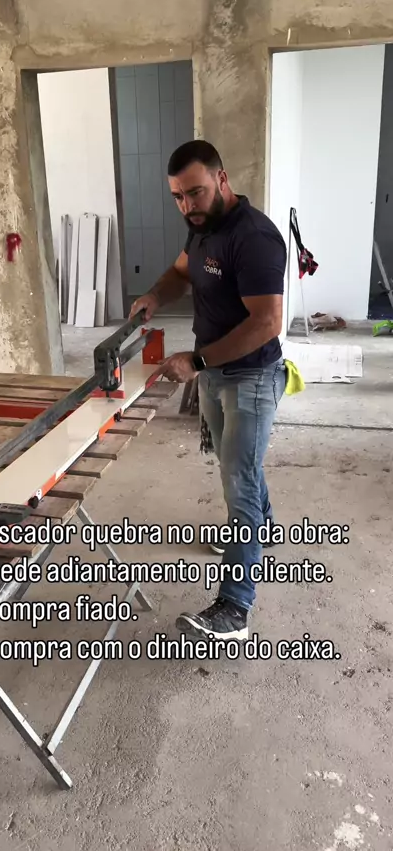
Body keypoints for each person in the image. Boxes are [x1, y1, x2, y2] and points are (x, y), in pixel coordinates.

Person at [129, 139, 286, 642]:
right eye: (177, 196)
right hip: (217, 374)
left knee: (238, 483)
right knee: (235, 464)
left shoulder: (254, 237)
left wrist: (196, 361)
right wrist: (155, 294)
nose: (186, 206)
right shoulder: (202, 229)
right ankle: (264, 527)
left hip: (251, 378)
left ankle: (235, 609)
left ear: (221, 178)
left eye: (194, 192)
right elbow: (181, 273)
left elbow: (266, 323)